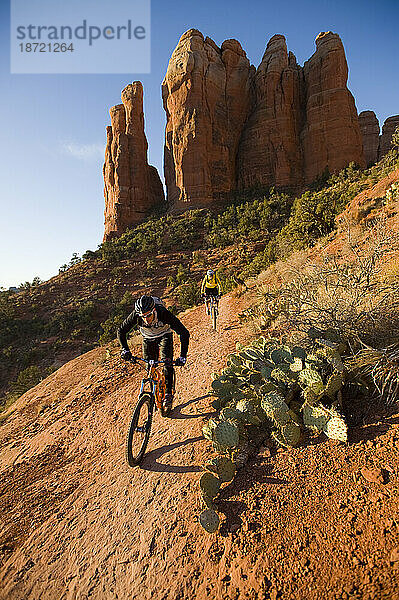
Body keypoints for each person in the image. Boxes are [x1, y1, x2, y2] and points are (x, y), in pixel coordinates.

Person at [118, 295, 189, 412]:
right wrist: (125, 350)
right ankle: (154, 395)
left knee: (167, 363)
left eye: (148, 315)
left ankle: (168, 394)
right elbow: (121, 331)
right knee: (150, 367)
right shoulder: (136, 315)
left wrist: (182, 356)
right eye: (143, 316)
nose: (146, 319)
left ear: (154, 310)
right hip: (147, 338)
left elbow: (184, 333)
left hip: (164, 335)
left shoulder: (163, 313)